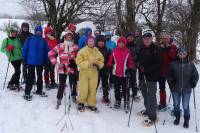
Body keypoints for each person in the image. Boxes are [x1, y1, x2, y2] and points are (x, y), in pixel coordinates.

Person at [167, 47, 199, 128]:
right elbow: (169, 75)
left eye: (184, 54)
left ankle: (186, 119)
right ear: (178, 54)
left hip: (187, 89)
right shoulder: (173, 64)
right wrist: (170, 81)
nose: (182, 55)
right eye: (180, 53)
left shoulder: (190, 64)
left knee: (185, 106)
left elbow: (195, 75)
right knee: (176, 105)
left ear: (186, 54)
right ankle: (177, 117)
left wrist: (194, 82)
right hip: (175, 89)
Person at [48, 31, 79, 109]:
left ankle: (74, 97)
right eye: (67, 36)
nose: (69, 37)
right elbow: (50, 54)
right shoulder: (60, 46)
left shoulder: (76, 46)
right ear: (65, 37)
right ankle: (59, 99)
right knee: (62, 84)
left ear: (72, 38)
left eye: (70, 36)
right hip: (62, 68)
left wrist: (75, 61)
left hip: (72, 68)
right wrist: (57, 62)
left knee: (73, 83)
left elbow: (79, 57)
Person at [137, 33, 162, 126]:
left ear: (151, 39)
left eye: (148, 39)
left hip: (151, 77)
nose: (146, 40)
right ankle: (148, 109)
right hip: (142, 76)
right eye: (145, 39)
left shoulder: (156, 49)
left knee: (151, 95)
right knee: (144, 94)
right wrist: (138, 64)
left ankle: (153, 116)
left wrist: (147, 69)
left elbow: (159, 63)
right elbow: (138, 59)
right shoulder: (141, 48)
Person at [76, 36, 104, 112]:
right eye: (90, 41)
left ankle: (91, 104)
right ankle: (81, 102)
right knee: (83, 88)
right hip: (84, 73)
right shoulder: (82, 51)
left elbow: (101, 61)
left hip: (94, 73)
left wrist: (98, 65)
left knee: (92, 89)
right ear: (87, 42)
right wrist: (88, 64)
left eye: (92, 41)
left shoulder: (97, 52)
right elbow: (78, 61)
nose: (91, 43)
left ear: (94, 42)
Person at [22, 25, 49, 101]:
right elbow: (25, 49)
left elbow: (46, 51)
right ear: (35, 31)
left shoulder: (44, 41)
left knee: (40, 76)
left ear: (41, 32)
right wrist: (24, 59)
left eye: (40, 31)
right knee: (30, 77)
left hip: (40, 62)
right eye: (37, 31)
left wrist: (46, 61)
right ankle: (27, 92)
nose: (38, 32)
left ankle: (39, 90)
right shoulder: (29, 39)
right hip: (31, 61)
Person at [107, 36, 135, 110]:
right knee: (116, 88)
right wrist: (109, 66)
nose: (121, 44)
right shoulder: (114, 51)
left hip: (124, 74)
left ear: (125, 43)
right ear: (118, 43)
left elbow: (130, 62)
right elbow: (110, 60)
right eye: (119, 43)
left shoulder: (127, 51)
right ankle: (118, 100)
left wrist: (129, 69)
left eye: (122, 43)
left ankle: (126, 101)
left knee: (125, 89)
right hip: (115, 73)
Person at [157, 33, 177, 111]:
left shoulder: (173, 47)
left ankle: (176, 106)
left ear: (170, 39)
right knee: (162, 88)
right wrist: (162, 49)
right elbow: (157, 57)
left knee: (173, 89)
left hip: (170, 71)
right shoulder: (159, 46)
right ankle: (162, 103)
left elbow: (173, 57)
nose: (165, 40)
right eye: (164, 38)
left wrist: (167, 49)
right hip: (161, 71)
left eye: (167, 38)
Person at [1, 26, 22, 90]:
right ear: (10, 32)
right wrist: (8, 48)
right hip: (12, 58)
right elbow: (2, 49)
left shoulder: (18, 39)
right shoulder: (6, 40)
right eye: (13, 32)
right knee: (18, 71)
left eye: (15, 32)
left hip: (19, 58)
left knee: (18, 71)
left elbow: (20, 48)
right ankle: (10, 83)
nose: (14, 33)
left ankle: (17, 83)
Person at [126, 32, 141, 102]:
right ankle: (125, 93)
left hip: (133, 66)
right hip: (125, 66)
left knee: (133, 80)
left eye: (131, 37)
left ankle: (134, 94)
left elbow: (138, 55)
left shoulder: (136, 46)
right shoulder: (124, 45)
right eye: (128, 37)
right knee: (125, 81)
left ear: (133, 38)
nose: (129, 38)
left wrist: (135, 61)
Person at [96, 35, 111, 104]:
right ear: (97, 42)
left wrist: (108, 67)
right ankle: (92, 96)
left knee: (105, 83)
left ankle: (105, 96)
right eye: (100, 41)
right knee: (95, 83)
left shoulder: (107, 49)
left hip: (104, 69)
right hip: (96, 69)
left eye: (103, 41)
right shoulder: (94, 49)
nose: (101, 43)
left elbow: (110, 59)